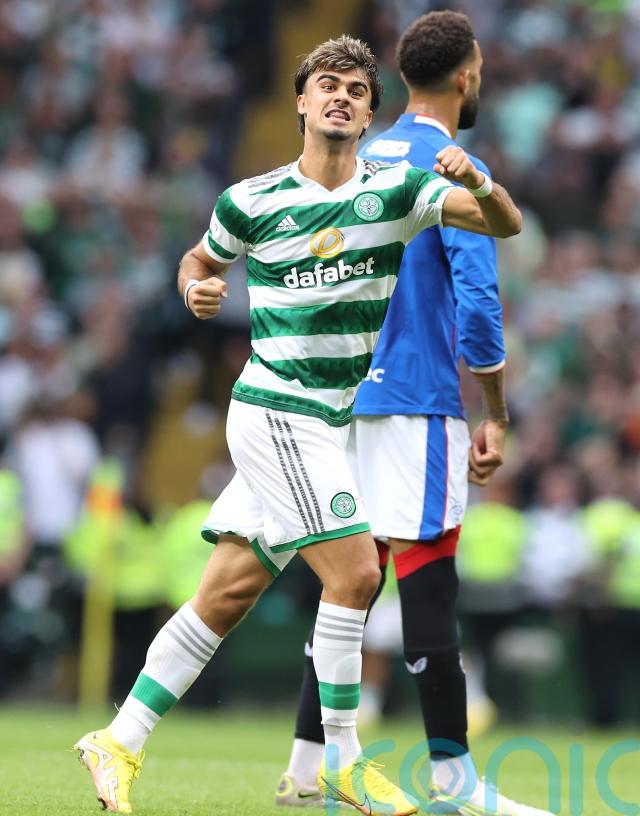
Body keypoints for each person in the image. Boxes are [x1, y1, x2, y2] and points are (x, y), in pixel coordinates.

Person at [74, 34, 521, 816]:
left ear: (370, 111)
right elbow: (199, 260)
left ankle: (118, 739)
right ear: (302, 103)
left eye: (356, 88)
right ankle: (340, 760)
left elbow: (503, 225)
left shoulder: (397, 193)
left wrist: (476, 178)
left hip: (330, 420)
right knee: (356, 574)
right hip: (275, 412)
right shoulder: (251, 199)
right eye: (328, 85)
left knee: (228, 590)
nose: (341, 96)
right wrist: (195, 288)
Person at [274, 13, 550, 816]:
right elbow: (479, 302)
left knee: (348, 584)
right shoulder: (454, 168)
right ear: (466, 76)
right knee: (428, 580)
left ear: (398, 80)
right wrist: (494, 412)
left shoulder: (355, 157)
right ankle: (455, 781)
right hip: (416, 401)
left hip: (340, 397)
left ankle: (304, 766)